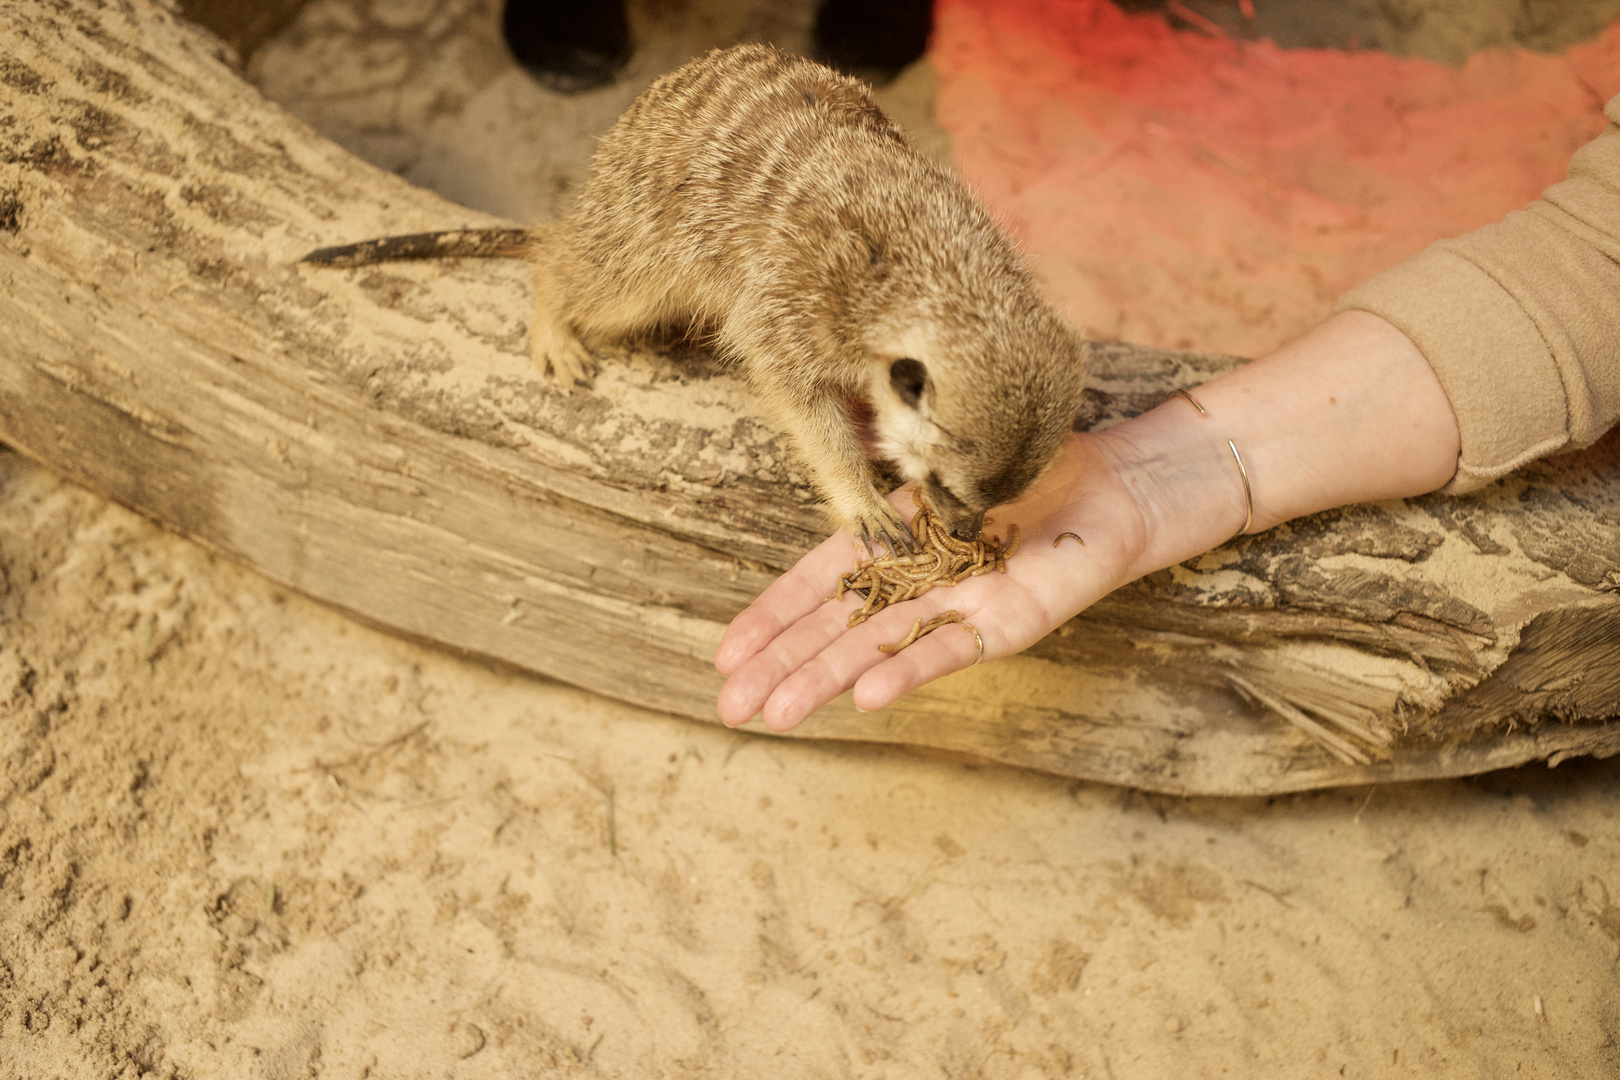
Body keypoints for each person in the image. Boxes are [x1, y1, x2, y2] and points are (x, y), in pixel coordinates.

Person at [714, 93, 1620, 733]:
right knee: (601, 296)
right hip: (727, 185)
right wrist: (1163, 468)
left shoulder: (956, 314)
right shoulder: (826, 309)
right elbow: (1599, 243)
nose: (959, 520)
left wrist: (1163, 477)